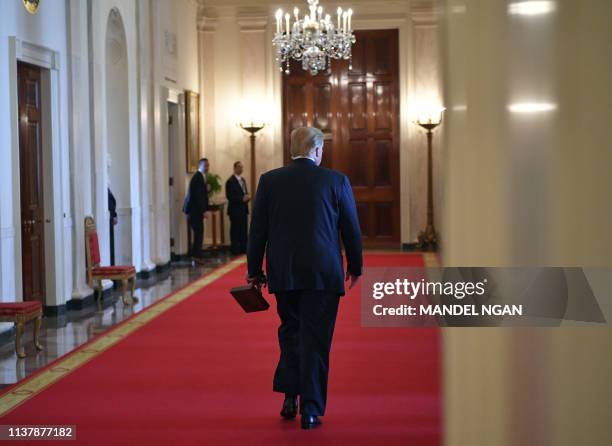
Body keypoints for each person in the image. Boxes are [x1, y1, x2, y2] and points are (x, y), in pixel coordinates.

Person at [247, 126, 363, 430]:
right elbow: (350, 227)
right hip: (323, 273)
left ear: (291, 150)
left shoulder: (269, 181)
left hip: (284, 272)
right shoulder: (336, 181)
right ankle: (311, 410)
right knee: (317, 340)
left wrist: (253, 271)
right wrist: (356, 265)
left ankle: (289, 398)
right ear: (317, 151)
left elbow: (257, 231)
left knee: (290, 333)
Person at [183, 158, 209, 263]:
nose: (207, 167)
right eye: (205, 165)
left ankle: (197, 256)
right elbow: (198, 196)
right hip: (194, 211)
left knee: (199, 233)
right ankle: (196, 257)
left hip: (195, 211)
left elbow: (201, 194)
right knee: (199, 234)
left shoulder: (200, 177)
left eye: (208, 165)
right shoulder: (197, 177)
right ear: (200, 165)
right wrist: (204, 210)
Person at [225, 161, 250, 255]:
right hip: (235, 210)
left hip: (243, 209)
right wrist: (241, 198)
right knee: (235, 230)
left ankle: (243, 249)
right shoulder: (230, 181)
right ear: (234, 168)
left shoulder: (243, 180)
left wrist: (247, 197)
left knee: (243, 230)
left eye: (242, 167)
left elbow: (244, 192)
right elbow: (229, 196)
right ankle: (235, 250)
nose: (241, 169)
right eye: (239, 167)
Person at [108, 188, 118, 265]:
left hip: (110, 220)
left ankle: (112, 266)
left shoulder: (108, 190)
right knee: (109, 247)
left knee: (111, 247)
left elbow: (112, 203)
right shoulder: (105, 191)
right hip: (108, 221)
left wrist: (115, 215)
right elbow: (110, 204)